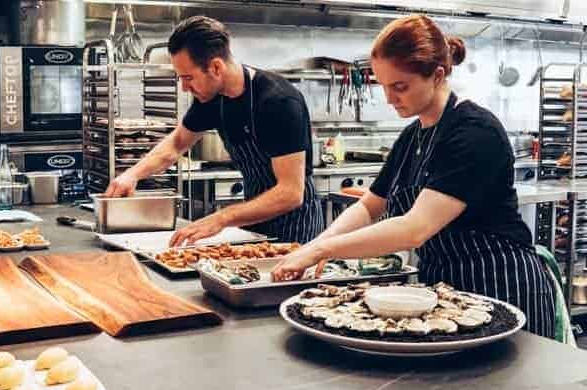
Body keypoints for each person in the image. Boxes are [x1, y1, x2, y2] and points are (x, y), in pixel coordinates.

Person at [272, 15, 555, 338]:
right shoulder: (412, 136)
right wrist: (316, 244)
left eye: (400, 87)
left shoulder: (474, 132)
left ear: (437, 75)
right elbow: (369, 207)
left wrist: (324, 250)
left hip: (502, 284)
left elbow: (414, 229)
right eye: (384, 86)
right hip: (445, 292)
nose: (390, 98)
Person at [105, 16, 323, 246]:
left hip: (296, 227)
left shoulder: (278, 101)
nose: (184, 87)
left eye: (188, 78)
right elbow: (177, 143)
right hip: (253, 220)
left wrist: (222, 218)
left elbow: (291, 193)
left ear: (216, 67)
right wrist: (132, 175)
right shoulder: (211, 98)